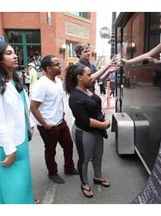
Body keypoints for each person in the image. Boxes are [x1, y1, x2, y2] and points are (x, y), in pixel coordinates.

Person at [0, 42, 37, 204]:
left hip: (21, 140)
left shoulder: (15, 79)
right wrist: (10, 150)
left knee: (24, 184)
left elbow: (24, 106)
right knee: (12, 189)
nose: (14, 56)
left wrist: (32, 125)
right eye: (8, 53)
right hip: (8, 145)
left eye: (14, 52)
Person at [64, 60, 115, 198]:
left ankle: (97, 176)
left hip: (97, 131)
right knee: (84, 159)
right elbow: (84, 120)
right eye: (89, 74)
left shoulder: (87, 90)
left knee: (98, 155)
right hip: (84, 132)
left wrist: (102, 116)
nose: (92, 77)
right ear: (80, 78)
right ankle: (84, 183)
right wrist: (104, 125)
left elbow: (95, 107)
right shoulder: (75, 97)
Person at [30, 55, 78, 184]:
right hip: (48, 125)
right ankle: (52, 173)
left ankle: (69, 168)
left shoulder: (57, 81)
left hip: (60, 121)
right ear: (49, 68)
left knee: (68, 145)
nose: (60, 66)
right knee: (51, 150)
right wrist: (45, 124)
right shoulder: (41, 85)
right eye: (57, 64)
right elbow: (33, 108)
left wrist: (61, 116)